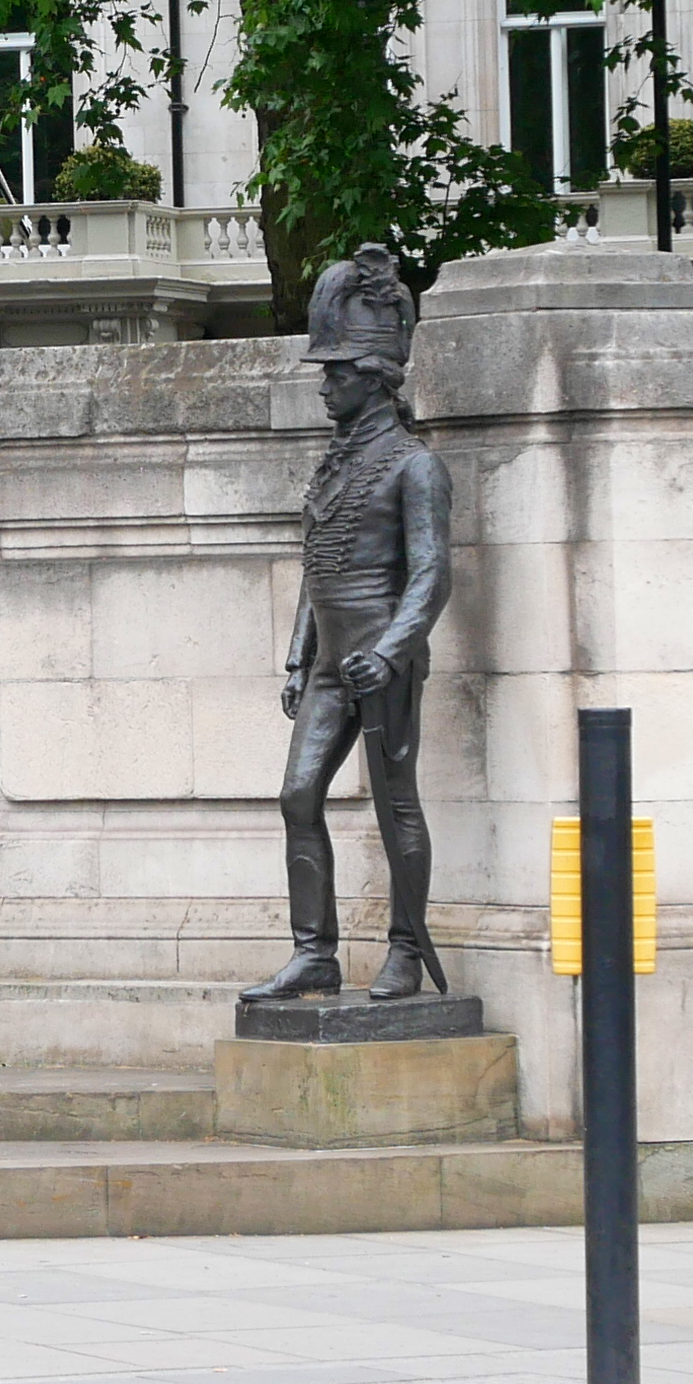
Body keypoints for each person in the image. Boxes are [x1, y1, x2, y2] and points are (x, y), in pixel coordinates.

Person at [243, 245, 457, 1004]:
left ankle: (403, 950)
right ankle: (315, 953)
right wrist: (301, 656)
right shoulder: (332, 464)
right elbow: (316, 563)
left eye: (335, 372)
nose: (324, 386)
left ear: (371, 379)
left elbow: (431, 574)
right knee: (298, 796)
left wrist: (394, 651)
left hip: (382, 658)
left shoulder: (413, 465)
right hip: (332, 662)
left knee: (396, 800)